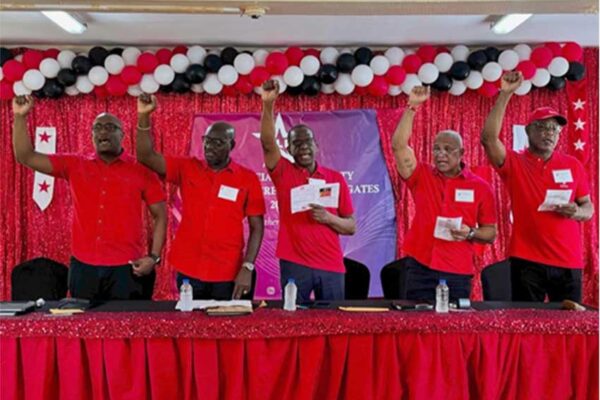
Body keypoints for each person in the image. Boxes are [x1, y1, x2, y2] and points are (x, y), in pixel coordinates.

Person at [12, 95, 167, 301]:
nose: (103, 131)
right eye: (97, 127)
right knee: (83, 330)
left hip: (127, 268)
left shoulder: (142, 171)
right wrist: (20, 117)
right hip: (83, 268)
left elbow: (161, 216)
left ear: (122, 135)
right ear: (92, 135)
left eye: (110, 127)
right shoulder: (75, 164)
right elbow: (26, 156)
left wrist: (153, 257)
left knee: (128, 330)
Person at [136, 94, 265, 300]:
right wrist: (144, 116)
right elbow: (145, 156)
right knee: (191, 328)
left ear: (231, 146)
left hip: (227, 272)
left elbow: (257, 227)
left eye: (218, 142)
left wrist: (247, 266)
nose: (209, 146)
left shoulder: (247, 179)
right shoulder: (187, 168)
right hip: (189, 268)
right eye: (207, 140)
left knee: (225, 330)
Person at [481, 71, 594, 302]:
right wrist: (505, 94)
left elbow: (588, 207)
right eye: (542, 127)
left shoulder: (572, 165)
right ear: (528, 131)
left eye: (554, 128)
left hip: (568, 261)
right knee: (528, 326)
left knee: (568, 327)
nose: (549, 133)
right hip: (527, 261)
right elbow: (489, 139)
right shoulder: (514, 162)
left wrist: (576, 212)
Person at [392, 86, 497, 301]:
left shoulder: (480, 187)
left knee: (452, 329)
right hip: (420, 266)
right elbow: (398, 146)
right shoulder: (421, 175)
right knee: (416, 325)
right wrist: (412, 107)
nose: (441, 154)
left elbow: (490, 233)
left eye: (448, 150)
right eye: (437, 149)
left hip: (457, 270)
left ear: (462, 153)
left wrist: (470, 233)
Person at [259, 80, 356, 303]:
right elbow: (267, 143)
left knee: (333, 325)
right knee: (294, 323)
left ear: (317, 147)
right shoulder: (283, 171)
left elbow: (351, 227)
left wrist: (328, 217)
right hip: (295, 264)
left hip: (330, 263)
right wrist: (268, 105)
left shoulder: (335, 178)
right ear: (289, 149)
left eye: (307, 142)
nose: (303, 146)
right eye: (296, 143)